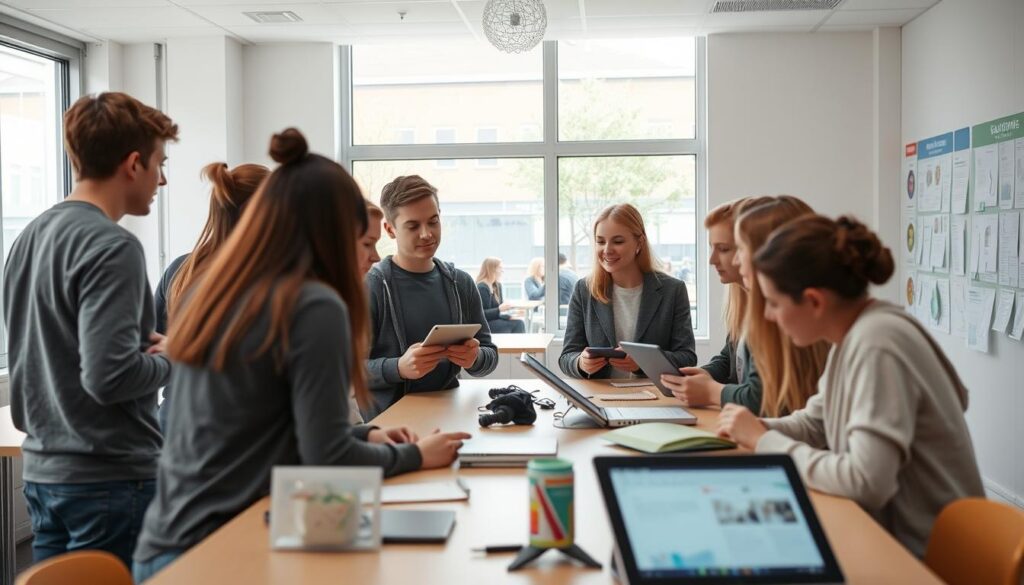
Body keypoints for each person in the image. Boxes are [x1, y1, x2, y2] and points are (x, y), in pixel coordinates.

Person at [133, 130, 470, 582]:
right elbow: (325, 459)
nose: (373, 256)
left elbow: (274, 431)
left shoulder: (230, 287)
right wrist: (417, 457)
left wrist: (363, 437)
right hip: (220, 552)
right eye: (363, 240)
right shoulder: (312, 305)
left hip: (176, 545)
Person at [718, 214, 984, 558]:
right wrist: (759, 428)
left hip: (922, 558)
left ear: (814, 301)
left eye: (774, 302)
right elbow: (816, 423)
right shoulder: (855, 335)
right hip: (892, 540)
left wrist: (764, 440)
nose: (768, 316)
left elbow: (866, 481)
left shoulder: (877, 343)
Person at [2, 92, 176, 566]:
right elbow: (109, 377)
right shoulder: (113, 246)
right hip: (109, 480)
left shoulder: (29, 237)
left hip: (44, 473)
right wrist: (174, 356)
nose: (162, 179)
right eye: (160, 163)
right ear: (134, 163)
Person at [366, 175, 498, 418]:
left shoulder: (461, 283)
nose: (427, 234)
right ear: (389, 229)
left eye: (433, 221)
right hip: (389, 425)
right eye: (413, 226)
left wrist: (474, 358)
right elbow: (347, 372)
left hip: (451, 417)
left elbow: (489, 356)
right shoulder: (372, 286)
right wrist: (398, 368)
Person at [152, 161, 269, 430]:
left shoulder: (180, 269)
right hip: (235, 436)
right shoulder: (269, 279)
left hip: (173, 425)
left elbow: (145, 356)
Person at [559, 203, 696, 379]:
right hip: (601, 398)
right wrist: (580, 362)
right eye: (600, 241)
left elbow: (687, 358)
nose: (607, 250)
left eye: (618, 241)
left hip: (653, 399)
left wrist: (644, 362)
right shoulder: (584, 290)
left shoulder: (673, 290)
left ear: (639, 243)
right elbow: (566, 357)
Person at [731, 196, 829, 417]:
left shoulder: (867, 345)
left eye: (739, 249)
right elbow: (812, 424)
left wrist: (762, 435)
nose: (736, 262)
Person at [661, 199, 763, 412]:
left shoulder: (772, 313)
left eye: (723, 249)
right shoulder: (742, 303)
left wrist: (710, 391)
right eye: (712, 248)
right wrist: (704, 376)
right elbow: (729, 358)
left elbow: (758, 396)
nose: (712, 260)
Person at [476, 257, 526, 334]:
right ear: (491, 269)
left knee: (519, 321)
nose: (502, 271)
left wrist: (513, 314)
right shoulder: (482, 287)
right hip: (486, 325)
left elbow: (501, 311)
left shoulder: (497, 285)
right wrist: (499, 309)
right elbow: (482, 315)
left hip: (495, 320)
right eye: (500, 268)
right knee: (518, 324)